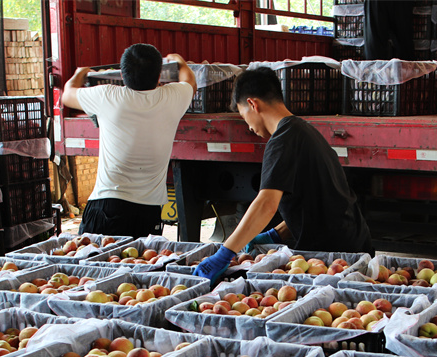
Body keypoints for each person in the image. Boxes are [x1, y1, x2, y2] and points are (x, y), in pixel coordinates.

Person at [193, 67, 374, 284]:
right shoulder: (304, 131)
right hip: (353, 246)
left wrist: (224, 253)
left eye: (243, 116)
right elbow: (315, 200)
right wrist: (276, 235)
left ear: (253, 104)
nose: (249, 127)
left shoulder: (282, 139)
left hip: (337, 258)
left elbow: (266, 204)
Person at [61, 44, 196, 238]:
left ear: (122, 76)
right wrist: (180, 63)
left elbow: (67, 94)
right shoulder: (172, 97)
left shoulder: (107, 95)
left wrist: (79, 74)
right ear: (159, 77)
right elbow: (190, 82)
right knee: (142, 266)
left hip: (107, 206)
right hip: (148, 213)